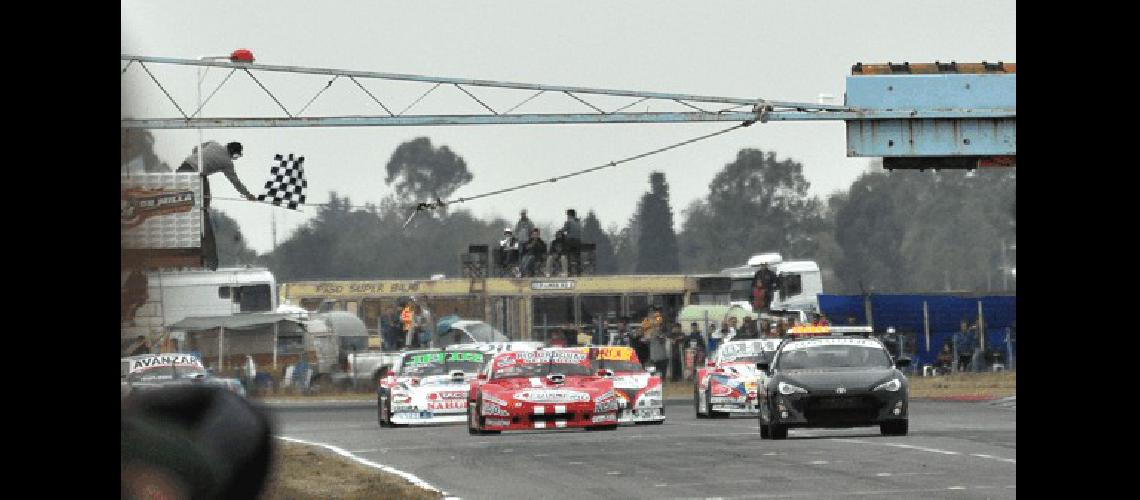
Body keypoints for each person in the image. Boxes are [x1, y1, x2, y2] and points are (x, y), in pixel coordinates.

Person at [178, 141, 257, 270]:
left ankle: (201, 204)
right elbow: (235, 182)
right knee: (204, 200)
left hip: (185, 166)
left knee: (204, 192)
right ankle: (203, 209)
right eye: (237, 156)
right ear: (234, 153)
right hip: (195, 174)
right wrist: (248, 195)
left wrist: (200, 159)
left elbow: (195, 148)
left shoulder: (214, 144)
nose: (235, 158)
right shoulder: (227, 162)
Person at [561, 209, 583, 276]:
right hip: (578, 241)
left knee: (567, 256)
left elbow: (564, 229)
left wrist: (559, 231)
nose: (567, 216)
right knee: (577, 257)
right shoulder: (578, 222)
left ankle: (569, 271)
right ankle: (579, 272)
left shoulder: (569, 221)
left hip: (570, 241)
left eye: (567, 215)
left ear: (569, 215)